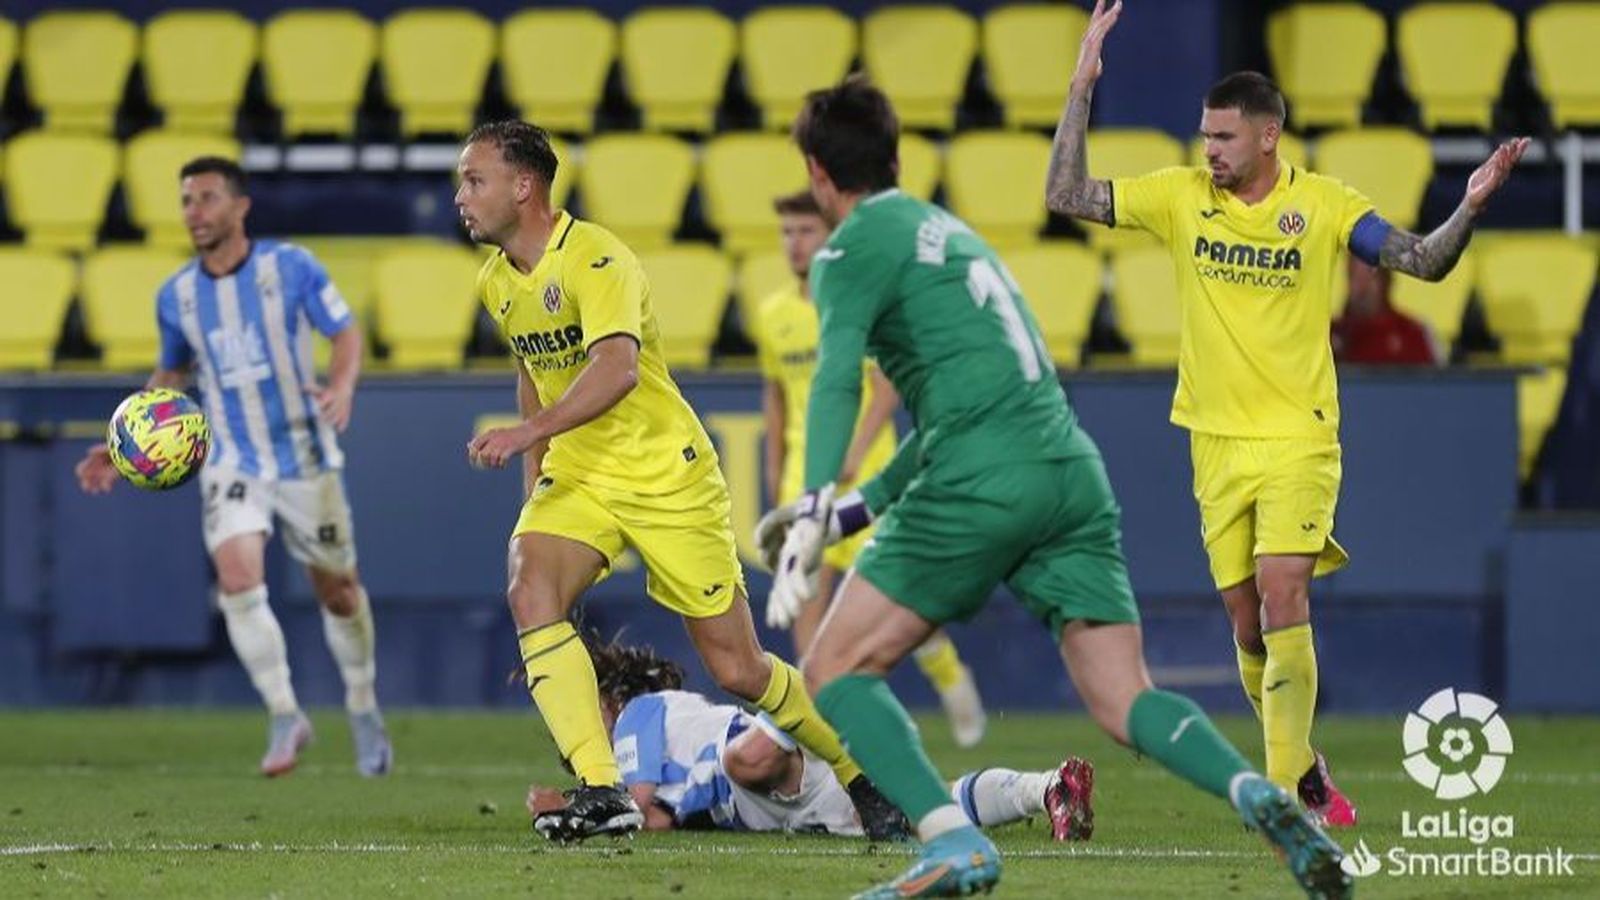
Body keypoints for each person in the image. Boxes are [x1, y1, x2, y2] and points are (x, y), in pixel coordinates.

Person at [762, 74, 1350, 899]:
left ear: (819, 175)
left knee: (834, 669)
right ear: (894, 158)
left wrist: (817, 498)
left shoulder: (849, 251)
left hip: (978, 481)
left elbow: (833, 380)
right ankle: (1256, 793)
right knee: (1125, 698)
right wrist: (857, 509)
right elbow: (956, 405)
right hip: (1068, 470)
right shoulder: (955, 236)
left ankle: (951, 841)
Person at [1044, 0, 1525, 829]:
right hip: (1214, 439)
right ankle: (1305, 773)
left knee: (1281, 590)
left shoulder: (1326, 206)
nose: (1209, 150)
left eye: (1223, 138)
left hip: (1300, 436)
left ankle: (1276, 800)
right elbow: (1065, 193)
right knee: (1246, 622)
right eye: (1205, 136)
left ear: (1268, 135)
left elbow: (1422, 261)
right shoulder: (1180, 196)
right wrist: (1081, 85)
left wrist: (1470, 206)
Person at [454, 120, 904, 843]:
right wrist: (537, 474)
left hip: (666, 474)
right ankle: (603, 790)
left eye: (475, 180)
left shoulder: (597, 258)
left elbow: (617, 369)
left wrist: (526, 435)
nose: (461, 197)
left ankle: (862, 774)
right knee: (529, 587)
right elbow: (531, 370)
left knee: (739, 668)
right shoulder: (496, 281)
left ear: (524, 186)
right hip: (582, 474)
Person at [74, 156, 389, 778]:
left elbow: (345, 332)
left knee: (339, 591)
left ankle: (361, 704)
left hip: (303, 456)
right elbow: (171, 373)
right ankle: (284, 713)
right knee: (238, 579)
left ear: (240, 206)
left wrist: (342, 386)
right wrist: (122, 443)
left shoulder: (290, 267)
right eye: (186, 200)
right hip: (231, 457)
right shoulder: (177, 296)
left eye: (207, 198)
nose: (193, 212)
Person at [754, 189, 986, 748]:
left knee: (901, 603)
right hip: (806, 479)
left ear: (829, 235)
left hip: (867, 477)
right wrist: (776, 471)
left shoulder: (854, 300)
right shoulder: (772, 313)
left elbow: (885, 388)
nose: (794, 244)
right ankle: (826, 732)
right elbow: (776, 396)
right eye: (786, 233)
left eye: (806, 231)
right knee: (805, 607)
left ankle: (949, 676)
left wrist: (854, 453)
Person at [526, 639, 1090, 840]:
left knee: (744, 759)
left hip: (763, 762)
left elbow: (640, 809)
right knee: (926, 810)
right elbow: (654, 818)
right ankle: (1047, 789)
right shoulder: (659, 716)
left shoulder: (633, 714)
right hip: (785, 805)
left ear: (604, 699)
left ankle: (822, 688)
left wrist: (571, 810)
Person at [1332, 257, 1440, 365]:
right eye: (1356, 277)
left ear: (1385, 281)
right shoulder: (1332, 333)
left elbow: (1435, 374)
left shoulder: (1411, 333)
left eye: (1370, 277)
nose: (1363, 287)